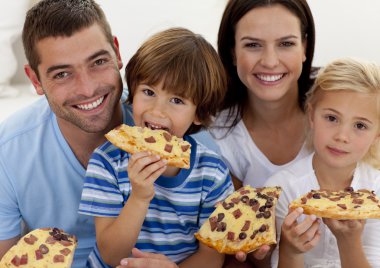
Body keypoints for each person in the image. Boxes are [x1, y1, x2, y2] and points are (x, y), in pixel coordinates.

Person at [78, 27, 234, 268]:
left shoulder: (212, 173)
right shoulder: (107, 162)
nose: (158, 110)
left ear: (199, 114)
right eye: (149, 92)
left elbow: (212, 257)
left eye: (177, 100)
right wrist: (140, 197)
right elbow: (110, 255)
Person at [0, 0, 135, 267]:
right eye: (62, 74)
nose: (87, 89)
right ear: (35, 80)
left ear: (117, 53)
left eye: (98, 61)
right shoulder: (8, 152)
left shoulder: (175, 131)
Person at [209, 0, 316, 266]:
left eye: (286, 43)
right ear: (232, 51)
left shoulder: (338, 111)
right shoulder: (216, 135)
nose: (270, 61)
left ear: (305, 46)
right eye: (253, 45)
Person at [265, 57, 380, 267]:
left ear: (377, 135)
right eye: (331, 118)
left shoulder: (376, 193)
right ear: (311, 116)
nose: (342, 136)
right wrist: (291, 252)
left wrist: (349, 242)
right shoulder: (282, 188)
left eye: (360, 126)